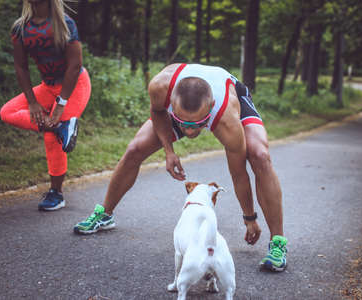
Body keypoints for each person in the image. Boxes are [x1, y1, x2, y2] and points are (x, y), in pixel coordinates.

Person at [74, 63, 287, 271]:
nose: (190, 132)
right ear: (172, 105)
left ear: (210, 108)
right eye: (182, 123)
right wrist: (169, 151)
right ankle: (105, 214)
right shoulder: (159, 87)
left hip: (230, 95)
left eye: (197, 125)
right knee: (134, 149)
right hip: (182, 105)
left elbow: (239, 174)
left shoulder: (226, 118)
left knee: (260, 156)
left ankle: (278, 243)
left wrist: (249, 218)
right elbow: (157, 112)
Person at [0, 0, 91, 211]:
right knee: (7, 112)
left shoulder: (65, 23)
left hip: (74, 86)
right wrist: (32, 102)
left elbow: (75, 65)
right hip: (47, 87)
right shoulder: (20, 28)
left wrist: (61, 104)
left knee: (50, 139)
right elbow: (21, 67)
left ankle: (56, 194)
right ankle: (61, 127)